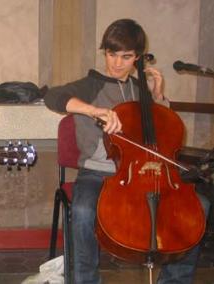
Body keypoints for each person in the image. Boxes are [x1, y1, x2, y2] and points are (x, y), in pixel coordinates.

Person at [44, 18, 210, 284]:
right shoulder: (90, 85)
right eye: (111, 54)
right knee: (84, 210)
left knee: (199, 206)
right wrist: (94, 110)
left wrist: (157, 98)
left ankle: (175, 280)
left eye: (126, 56)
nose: (117, 63)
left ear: (138, 58)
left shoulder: (139, 89)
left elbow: (162, 135)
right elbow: (52, 97)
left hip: (146, 174)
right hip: (97, 174)